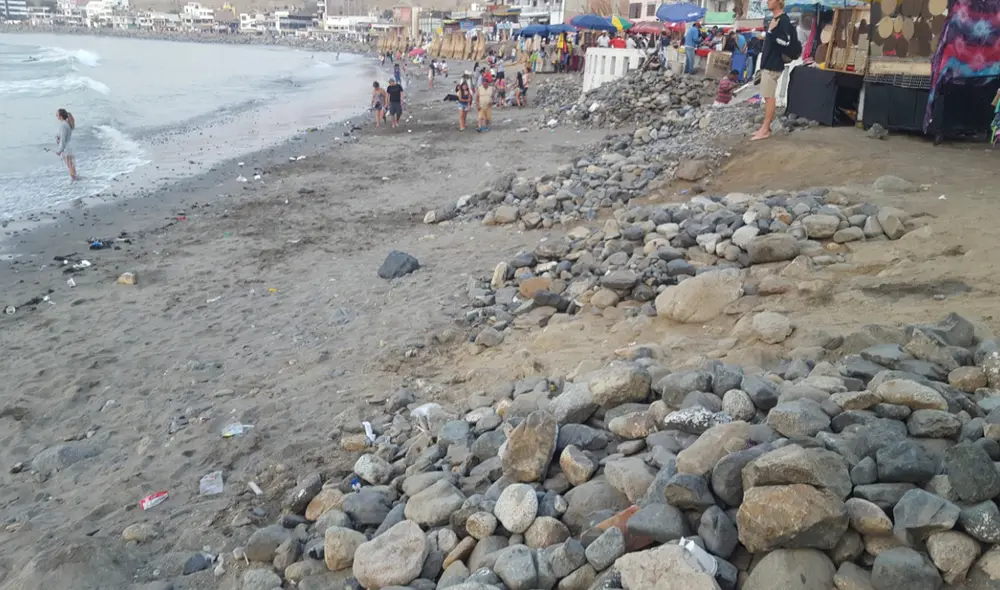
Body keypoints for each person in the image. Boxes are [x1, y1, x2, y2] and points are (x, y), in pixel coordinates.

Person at [753, 0, 796, 141]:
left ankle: (765, 129)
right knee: (767, 96)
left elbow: (785, 42)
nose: (767, 1)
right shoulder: (775, 19)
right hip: (768, 64)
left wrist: (771, 33)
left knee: (769, 96)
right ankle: (764, 128)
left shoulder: (783, 20)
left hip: (773, 65)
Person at [55, 108, 77, 181]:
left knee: (70, 167)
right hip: (69, 148)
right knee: (72, 167)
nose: (56, 116)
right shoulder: (67, 124)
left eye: (57, 114)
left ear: (60, 116)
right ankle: (76, 182)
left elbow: (63, 140)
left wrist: (59, 151)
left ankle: (74, 183)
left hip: (66, 149)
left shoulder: (63, 125)